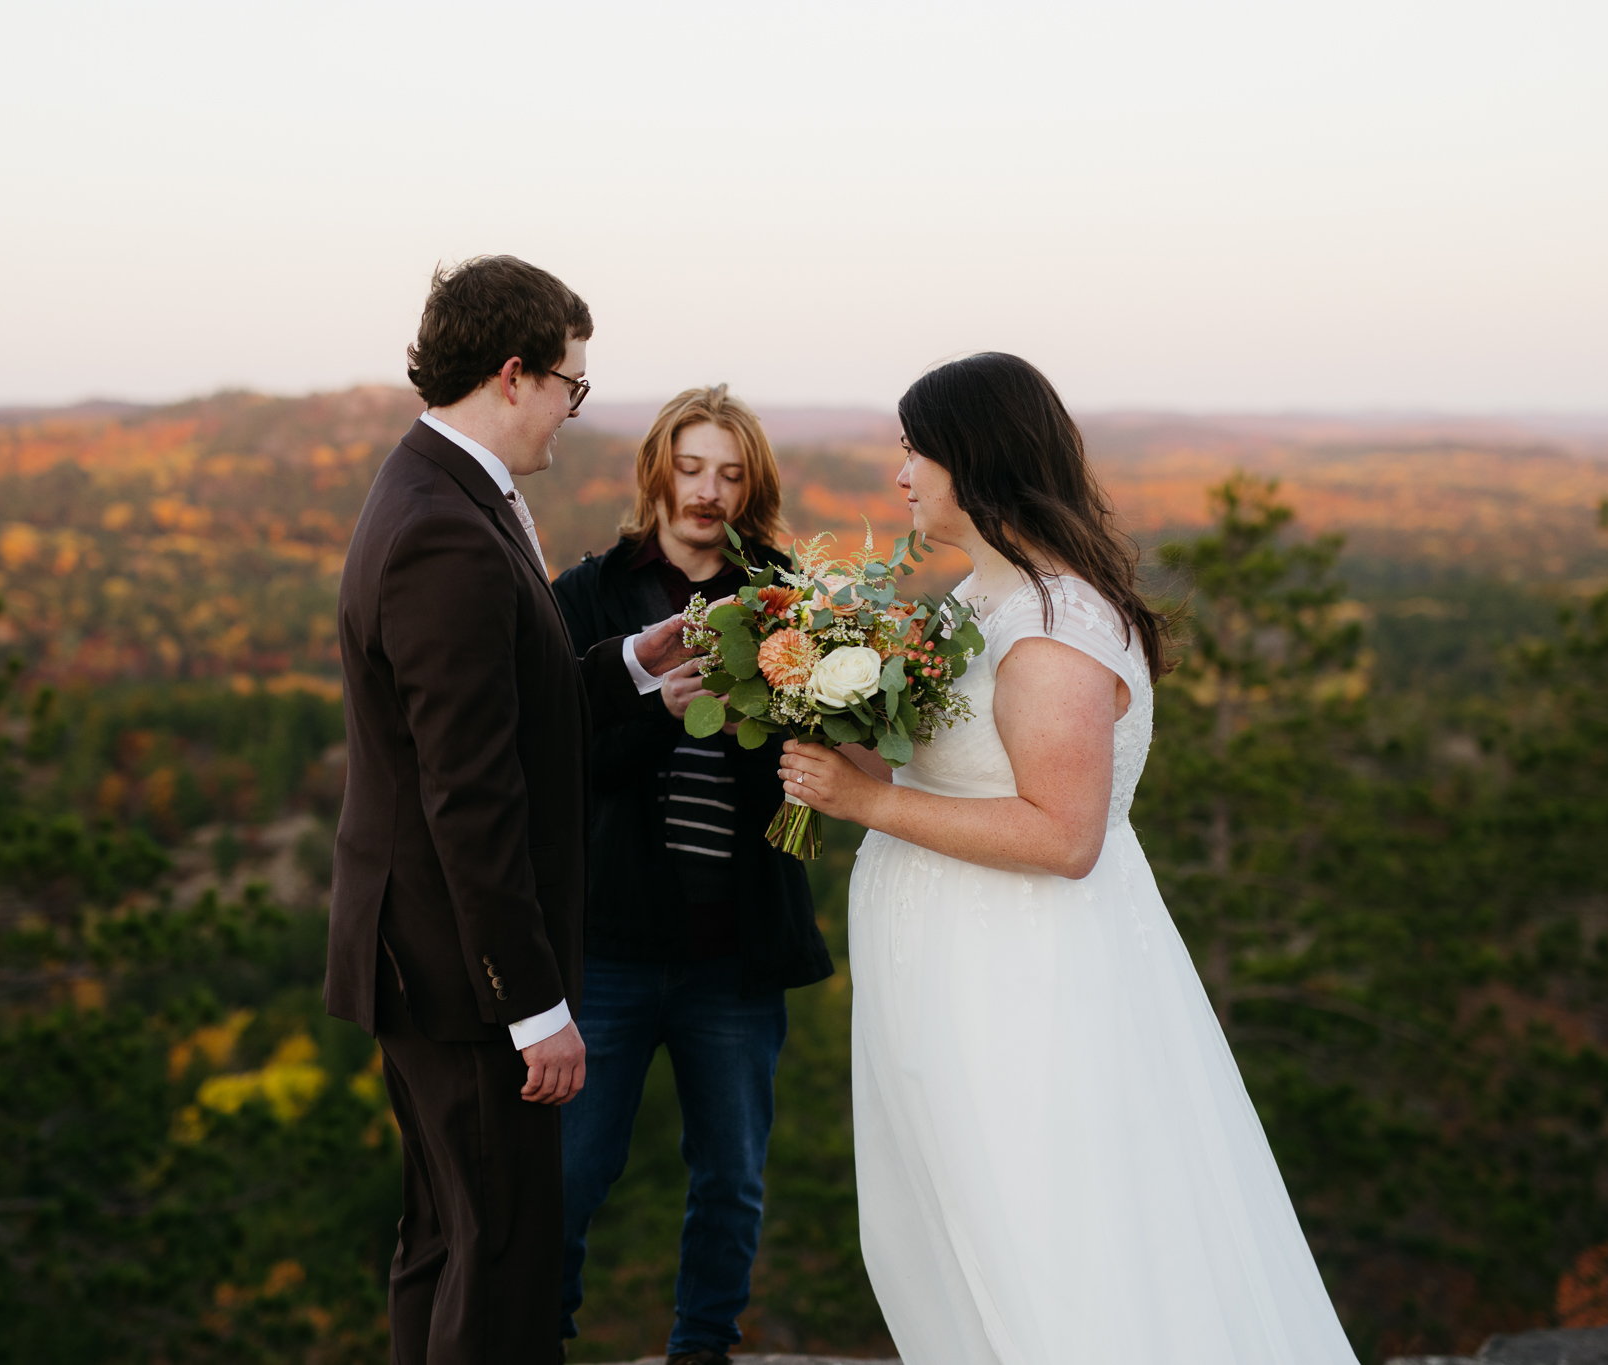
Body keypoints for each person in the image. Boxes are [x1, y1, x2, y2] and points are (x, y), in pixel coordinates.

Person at [776, 353, 1360, 1364]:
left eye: (914, 452)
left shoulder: (1050, 629)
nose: (900, 475)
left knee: (1038, 1233)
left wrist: (864, 800)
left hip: (1020, 980)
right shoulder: (976, 601)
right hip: (951, 977)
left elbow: (1061, 833)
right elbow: (946, 765)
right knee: (960, 1230)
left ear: (976, 460)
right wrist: (819, 698)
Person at [325, 255, 695, 1365]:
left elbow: (504, 706)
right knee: (501, 1260)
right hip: (459, 973)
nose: (571, 413)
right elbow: (468, 792)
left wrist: (628, 664)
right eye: (570, 388)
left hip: (427, 957)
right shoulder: (443, 526)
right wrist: (532, 1008)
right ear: (513, 371)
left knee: (446, 1242)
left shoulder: (442, 489)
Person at [550, 386, 833, 1365]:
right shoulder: (584, 595)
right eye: (691, 467)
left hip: (737, 952)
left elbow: (806, 768)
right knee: (572, 1174)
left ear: (749, 486)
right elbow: (551, 762)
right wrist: (653, 713)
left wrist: (766, 711)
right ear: (657, 472)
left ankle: (702, 1351)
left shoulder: (793, 599)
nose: (708, 491)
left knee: (731, 1181)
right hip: (613, 947)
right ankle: (537, 1337)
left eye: (729, 473)